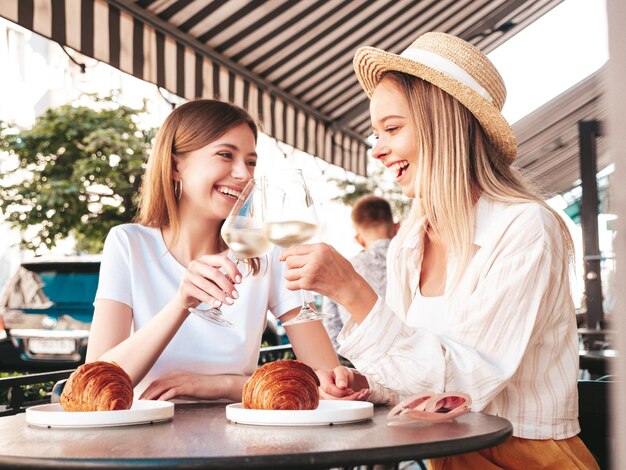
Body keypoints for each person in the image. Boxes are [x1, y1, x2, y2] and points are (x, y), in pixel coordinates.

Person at [280, 32, 598, 468]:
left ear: (443, 126)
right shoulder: (410, 241)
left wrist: (353, 292)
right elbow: (423, 377)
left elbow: (468, 385)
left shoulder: (525, 227)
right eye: (376, 133)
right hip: (442, 456)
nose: (378, 149)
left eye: (391, 129)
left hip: (525, 458)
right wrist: (370, 384)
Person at [86, 99, 357, 402]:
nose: (243, 174)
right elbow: (94, 386)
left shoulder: (267, 255)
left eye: (251, 161)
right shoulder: (129, 244)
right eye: (225, 155)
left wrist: (224, 385)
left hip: (240, 438)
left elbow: (331, 386)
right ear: (176, 166)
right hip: (145, 439)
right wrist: (181, 304)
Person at [323, 195, 397, 350]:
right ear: (396, 228)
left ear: (359, 239)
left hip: (364, 364)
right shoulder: (415, 259)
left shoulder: (343, 268)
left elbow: (332, 325)